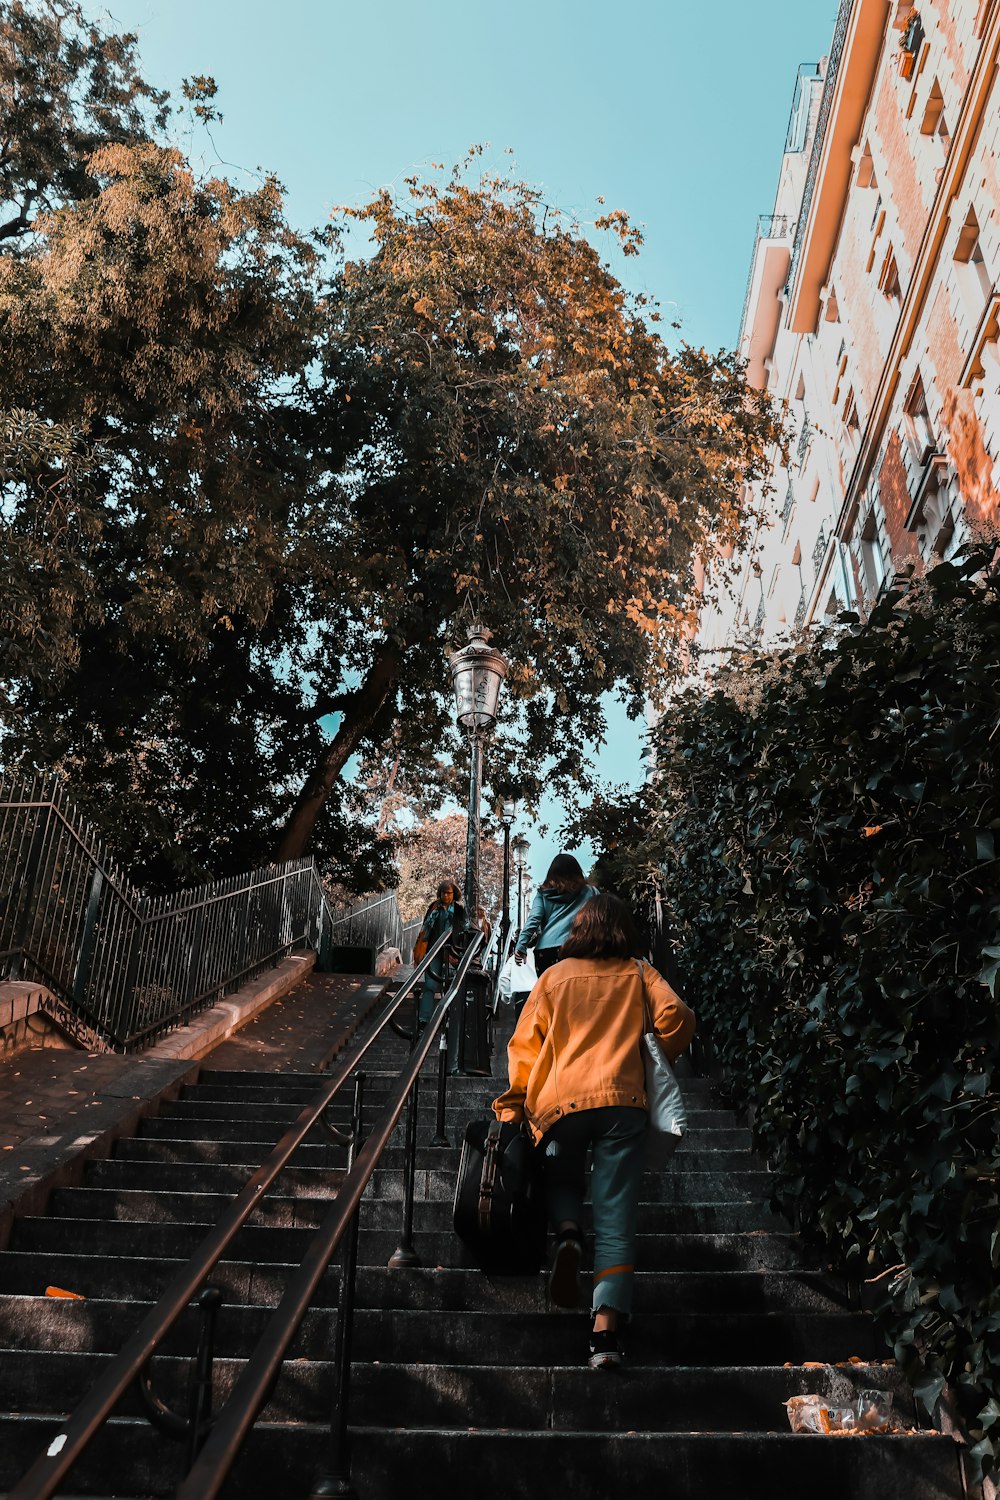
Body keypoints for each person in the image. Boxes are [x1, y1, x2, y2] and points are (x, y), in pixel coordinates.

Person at [493, 893, 695, 1370]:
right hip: (622, 1102)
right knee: (615, 1213)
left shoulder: (553, 978)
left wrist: (512, 1108)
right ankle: (604, 1334)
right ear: (625, 930)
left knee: (560, 1175)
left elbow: (523, 1048)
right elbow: (679, 1019)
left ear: (576, 931)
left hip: (560, 1105)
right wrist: (651, 1053)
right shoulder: (640, 972)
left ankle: (566, 1232)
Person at [513, 854, 599, 975]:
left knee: (549, 991)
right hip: (577, 947)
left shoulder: (542, 893)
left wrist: (521, 945)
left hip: (545, 950)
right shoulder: (590, 892)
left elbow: (534, 919)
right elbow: (601, 918)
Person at [414, 880, 466, 1026]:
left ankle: (450, 1018)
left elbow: (463, 930)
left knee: (451, 986)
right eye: (443, 893)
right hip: (433, 951)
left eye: (448, 893)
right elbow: (425, 929)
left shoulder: (459, 910)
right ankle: (424, 1019)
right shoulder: (434, 907)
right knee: (430, 984)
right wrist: (420, 949)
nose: (445, 896)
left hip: (452, 951)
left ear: (454, 894)